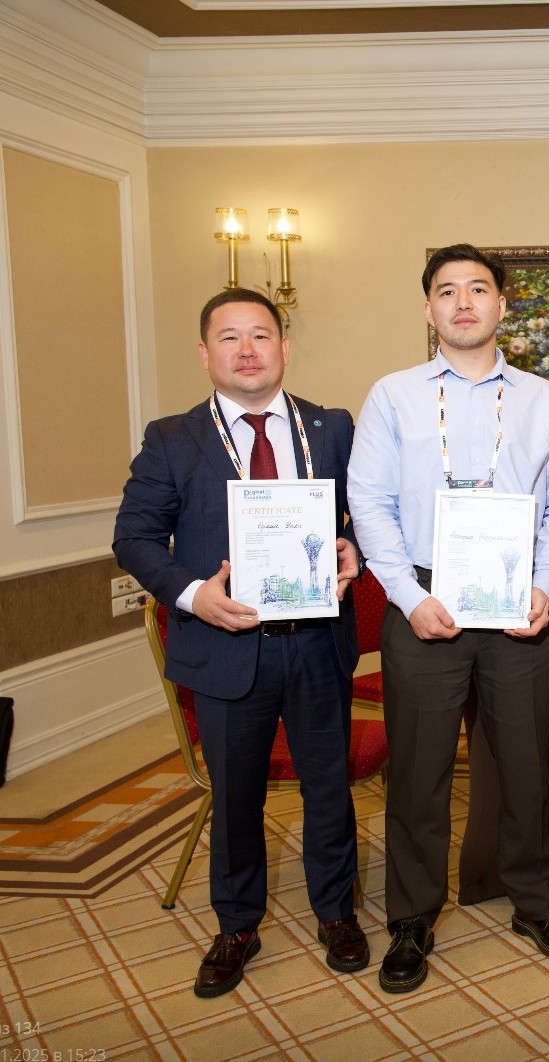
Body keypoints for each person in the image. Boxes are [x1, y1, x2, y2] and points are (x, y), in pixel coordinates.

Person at [113, 288, 366, 998]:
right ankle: (236, 925)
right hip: (225, 647)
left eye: (261, 335)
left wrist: (357, 550)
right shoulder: (172, 438)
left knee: (327, 789)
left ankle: (337, 912)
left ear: (284, 347)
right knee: (235, 799)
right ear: (205, 353)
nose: (247, 350)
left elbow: (369, 515)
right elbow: (133, 538)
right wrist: (194, 594)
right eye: (230, 338)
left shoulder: (331, 427)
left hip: (316, 646)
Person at [348, 243, 549, 994]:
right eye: (446, 291)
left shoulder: (542, 400)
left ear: (501, 305)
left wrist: (544, 585)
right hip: (425, 596)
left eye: (477, 289)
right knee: (418, 774)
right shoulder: (393, 396)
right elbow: (369, 503)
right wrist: (407, 597)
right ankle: (411, 919)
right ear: (428, 309)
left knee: (525, 764)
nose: (462, 303)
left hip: (517, 601)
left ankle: (534, 902)